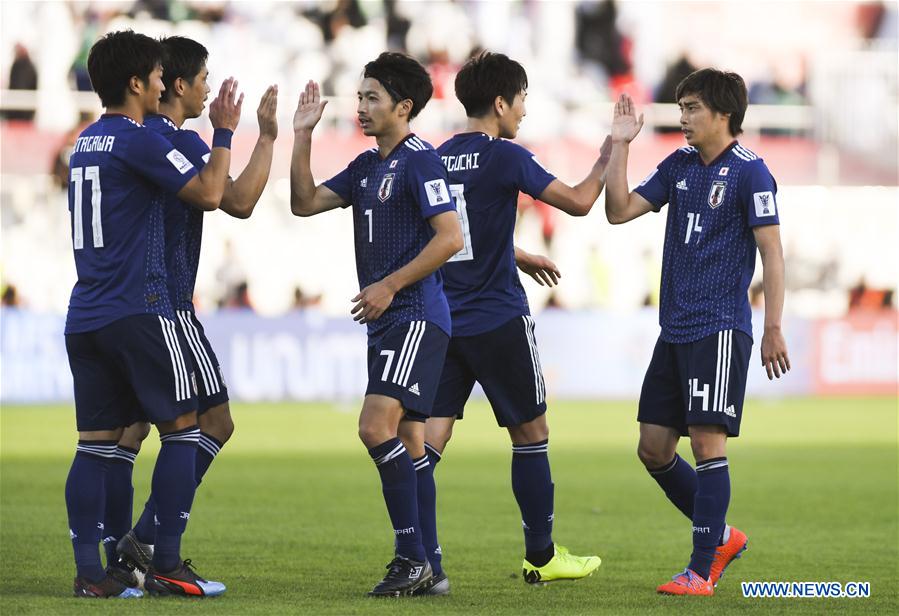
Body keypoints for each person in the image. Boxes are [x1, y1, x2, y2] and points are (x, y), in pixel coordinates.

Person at [417, 52, 608, 592]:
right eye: (521, 99)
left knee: (426, 444)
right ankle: (541, 556)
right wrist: (609, 151)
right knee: (531, 434)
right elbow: (576, 202)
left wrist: (516, 251)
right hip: (498, 317)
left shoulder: (438, 155)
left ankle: (421, 558)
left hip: (445, 320)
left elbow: (450, 232)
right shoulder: (506, 155)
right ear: (500, 103)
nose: (524, 110)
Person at [63, 30, 239, 598]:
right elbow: (213, 194)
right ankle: (164, 562)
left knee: (97, 443)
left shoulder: (83, 143)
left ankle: (94, 573)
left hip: (85, 312)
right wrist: (227, 131)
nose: (165, 84)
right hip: (140, 309)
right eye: (158, 76)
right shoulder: (134, 140)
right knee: (183, 431)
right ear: (137, 83)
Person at [604, 69, 790, 596]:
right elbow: (618, 212)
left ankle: (701, 568)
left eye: (691, 108)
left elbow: (773, 254)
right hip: (675, 329)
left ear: (723, 115)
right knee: (654, 449)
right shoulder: (680, 165)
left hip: (719, 328)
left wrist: (773, 326)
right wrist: (620, 146)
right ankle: (722, 537)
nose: (682, 118)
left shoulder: (752, 173)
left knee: (709, 445)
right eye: (681, 108)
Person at [102, 36, 278, 593]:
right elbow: (238, 201)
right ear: (177, 85)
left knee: (124, 434)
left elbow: (233, 196)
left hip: (129, 305)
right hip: (166, 307)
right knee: (210, 424)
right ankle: (149, 543)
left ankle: (113, 560)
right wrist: (247, 133)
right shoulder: (168, 138)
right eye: (204, 78)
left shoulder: (142, 138)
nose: (208, 88)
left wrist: (267, 137)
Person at [289, 52, 462, 597]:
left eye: (372, 98)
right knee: (409, 442)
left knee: (373, 428)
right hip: (388, 322)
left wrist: (390, 285)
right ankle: (429, 566)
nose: (360, 107)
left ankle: (411, 558)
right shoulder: (368, 165)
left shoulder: (420, 160)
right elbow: (304, 202)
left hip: (415, 317)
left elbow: (450, 237)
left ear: (403, 106)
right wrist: (301, 136)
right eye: (360, 96)